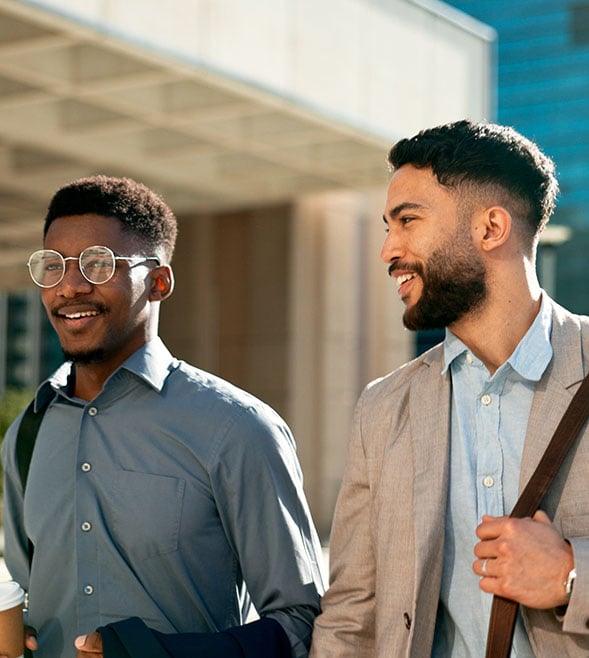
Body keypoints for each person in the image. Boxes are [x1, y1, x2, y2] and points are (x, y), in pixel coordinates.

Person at [1, 175, 325, 658]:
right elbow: (23, 596)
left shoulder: (237, 428)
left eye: (97, 264)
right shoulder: (27, 432)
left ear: (158, 282)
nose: (69, 286)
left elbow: (305, 625)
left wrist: (161, 653)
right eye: (53, 266)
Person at [309, 119, 589, 657]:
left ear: (490, 228)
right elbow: (352, 615)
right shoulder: (384, 407)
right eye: (388, 226)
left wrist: (570, 576)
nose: (389, 249)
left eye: (408, 220)